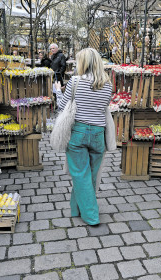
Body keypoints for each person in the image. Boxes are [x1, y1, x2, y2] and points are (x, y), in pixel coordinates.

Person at [54, 48, 112, 226]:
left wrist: (57, 90)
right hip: (98, 134)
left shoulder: (75, 81)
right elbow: (103, 107)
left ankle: (91, 216)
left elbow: (62, 106)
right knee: (90, 176)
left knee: (80, 174)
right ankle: (76, 209)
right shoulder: (107, 84)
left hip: (78, 133)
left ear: (83, 63)